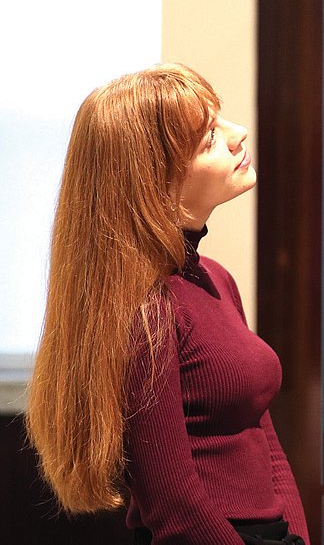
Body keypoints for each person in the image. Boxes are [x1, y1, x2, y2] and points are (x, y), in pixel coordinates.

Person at [26, 64, 308, 545]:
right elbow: (173, 504)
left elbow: (265, 440)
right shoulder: (148, 310)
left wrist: (299, 536)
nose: (238, 134)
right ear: (156, 180)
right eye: (210, 138)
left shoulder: (215, 278)